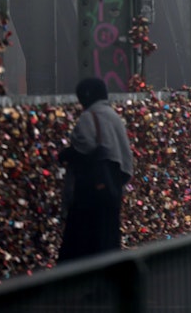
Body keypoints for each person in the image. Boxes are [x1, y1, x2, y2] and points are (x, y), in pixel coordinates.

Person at [57, 77, 133, 262]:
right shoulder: (113, 115)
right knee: (108, 238)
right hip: (112, 189)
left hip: (90, 192)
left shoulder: (89, 116)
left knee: (83, 241)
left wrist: (65, 155)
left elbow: (84, 147)